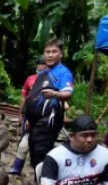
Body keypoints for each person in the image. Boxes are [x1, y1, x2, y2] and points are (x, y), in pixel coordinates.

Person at [25, 38, 74, 172]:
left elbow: (68, 93)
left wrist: (54, 94)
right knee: (34, 153)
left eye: (54, 52)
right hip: (35, 121)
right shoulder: (44, 73)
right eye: (47, 52)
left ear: (61, 53)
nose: (50, 55)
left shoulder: (63, 73)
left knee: (41, 154)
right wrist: (28, 119)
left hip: (49, 121)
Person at [9, 56, 46, 176]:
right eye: (39, 64)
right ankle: (17, 168)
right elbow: (23, 97)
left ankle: (37, 169)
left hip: (44, 116)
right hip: (29, 115)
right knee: (24, 139)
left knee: (39, 143)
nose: (40, 66)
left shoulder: (52, 79)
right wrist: (20, 113)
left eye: (42, 64)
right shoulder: (30, 79)